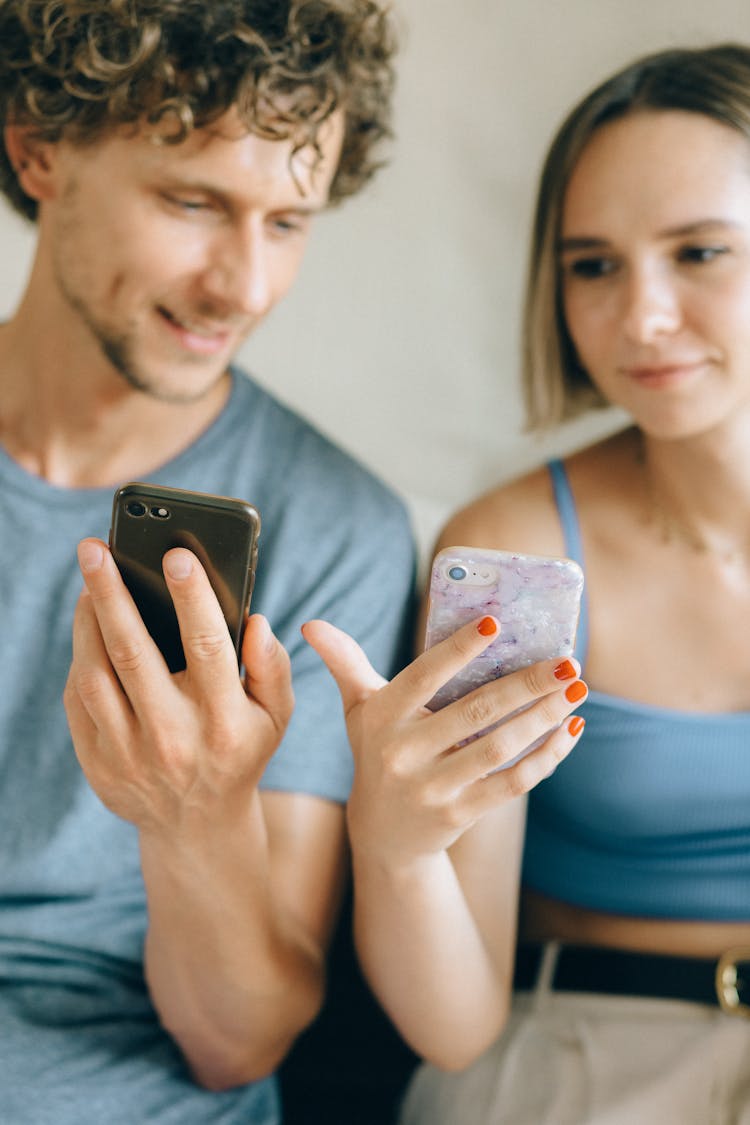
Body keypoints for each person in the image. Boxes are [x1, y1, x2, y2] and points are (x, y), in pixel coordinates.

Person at [307, 41, 750, 1125]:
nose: (640, 317)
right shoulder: (517, 556)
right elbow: (453, 1027)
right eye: (593, 264)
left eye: (699, 253)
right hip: (592, 1063)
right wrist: (399, 847)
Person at [0, 2, 421, 1122]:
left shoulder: (333, 528)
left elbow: (236, 1044)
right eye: (193, 202)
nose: (245, 286)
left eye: (289, 222)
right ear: (38, 149)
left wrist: (196, 815)